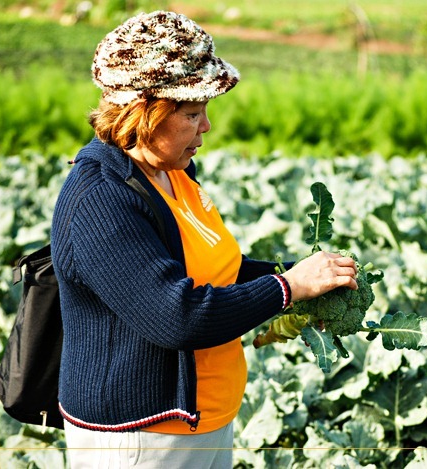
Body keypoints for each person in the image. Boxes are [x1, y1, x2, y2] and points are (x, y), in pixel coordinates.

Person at [50, 10, 358, 468]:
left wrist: (305, 281)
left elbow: (217, 271)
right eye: (193, 113)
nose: (206, 127)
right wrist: (288, 288)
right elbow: (177, 318)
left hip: (203, 422)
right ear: (145, 114)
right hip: (141, 440)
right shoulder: (101, 200)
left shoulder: (174, 175)